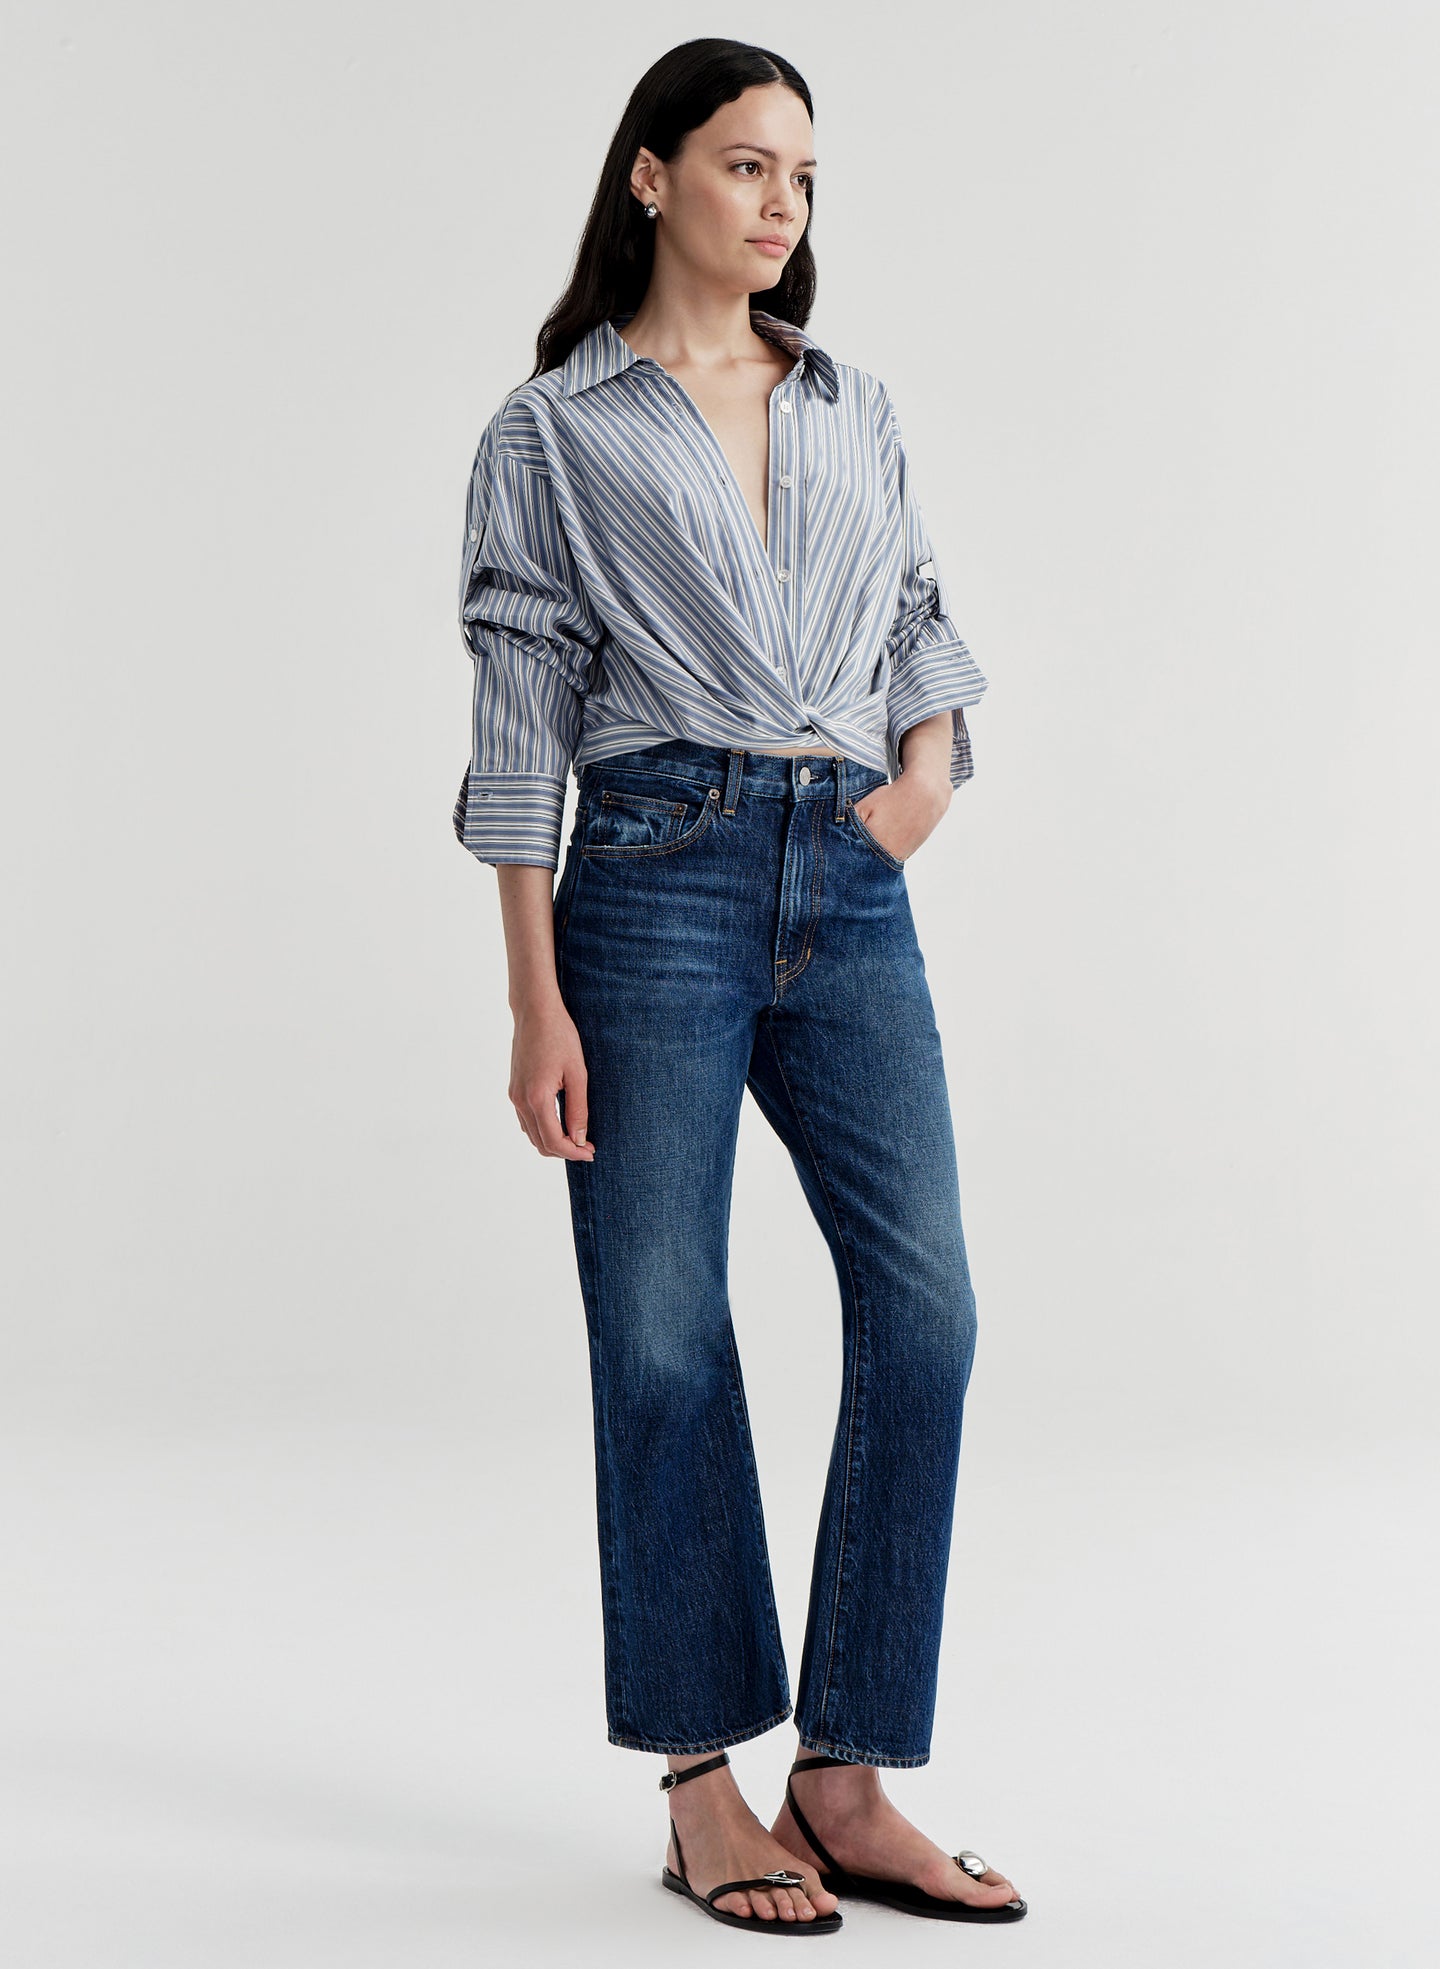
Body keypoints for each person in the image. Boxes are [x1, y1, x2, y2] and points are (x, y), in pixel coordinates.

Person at [452, 37, 1027, 1937]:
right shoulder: (553, 434)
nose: (781, 205)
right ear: (648, 178)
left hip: (846, 884)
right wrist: (535, 993)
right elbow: (525, 713)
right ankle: (703, 1778)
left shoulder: (856, 404)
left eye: (803, 177)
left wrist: (919, 791)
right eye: (744, 166)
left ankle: (846, 1777)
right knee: (668, 1328)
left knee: (926, 1307)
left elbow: (923, 614)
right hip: (647, 887)